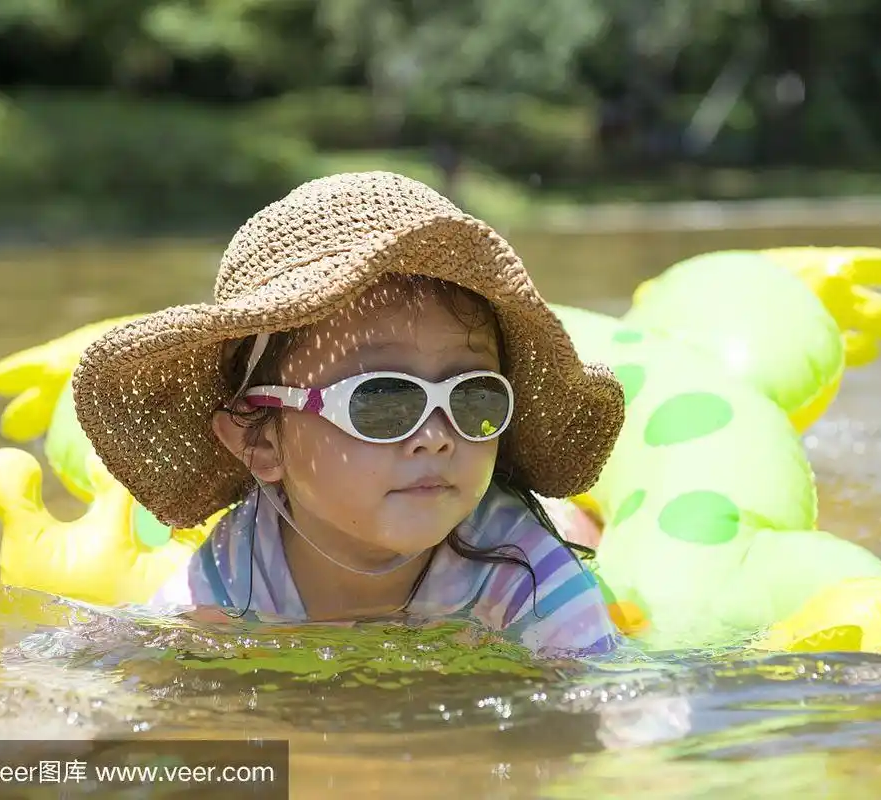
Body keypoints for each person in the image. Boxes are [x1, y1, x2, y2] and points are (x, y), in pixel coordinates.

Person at [71, 171, 627, 658]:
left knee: (575, 532)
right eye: (381, 400)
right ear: (261, 444)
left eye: (473, 397)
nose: (435, 438)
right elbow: (133, 678)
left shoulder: (521, 567)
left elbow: (609, 707)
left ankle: (579, 519)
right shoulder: (239, 567)